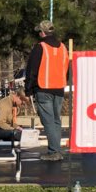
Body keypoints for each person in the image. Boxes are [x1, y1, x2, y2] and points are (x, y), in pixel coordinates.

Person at [25, 19, 69, 161]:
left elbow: (32, 70)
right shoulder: (63, 47)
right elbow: (66, 69)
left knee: (49, 121)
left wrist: (28, 90)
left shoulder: (40, 47)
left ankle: (54, 151)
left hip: (44, 88)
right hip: (59, 89)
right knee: (56, 121)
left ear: (42, 32)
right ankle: (56, 150)